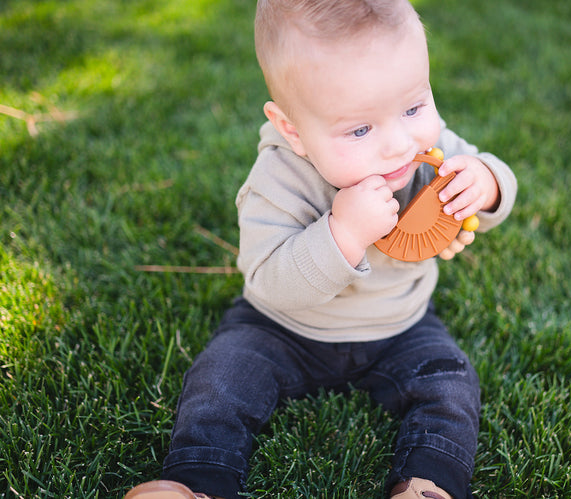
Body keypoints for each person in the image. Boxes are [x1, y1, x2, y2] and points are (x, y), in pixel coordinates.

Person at [124, 0, 516, 497]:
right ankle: (196, 479)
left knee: (451, 383)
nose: (398, 143)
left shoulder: (424, 153)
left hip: (400, 324)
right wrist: (343, 235)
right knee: (221, 379)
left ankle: (428, 481)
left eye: (414, 107)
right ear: (294, 130)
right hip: (282, 329)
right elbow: (269, 279)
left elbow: (489, 174)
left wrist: (487, 183)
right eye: (359, 129)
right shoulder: (279, 179)